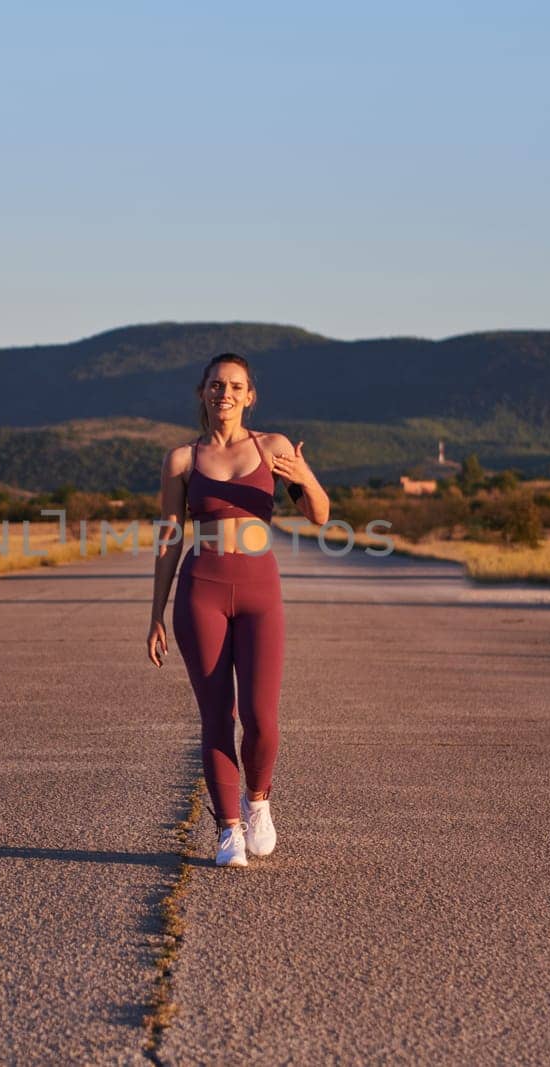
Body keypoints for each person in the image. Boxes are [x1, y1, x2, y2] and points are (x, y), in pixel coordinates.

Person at [147, 352, 330, 867]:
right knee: (215, 716)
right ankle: (228, 829)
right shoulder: (182, 460)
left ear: (249, 396)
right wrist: (156, 614)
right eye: (215, 385)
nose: (223, 393)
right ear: (202, 393)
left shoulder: (271, 449)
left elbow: (319, 514)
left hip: (259, 592)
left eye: (235, 386)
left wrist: (305, 477)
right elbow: (168, 538)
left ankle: (258, 803)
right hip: (200, 588)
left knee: (261, 717)